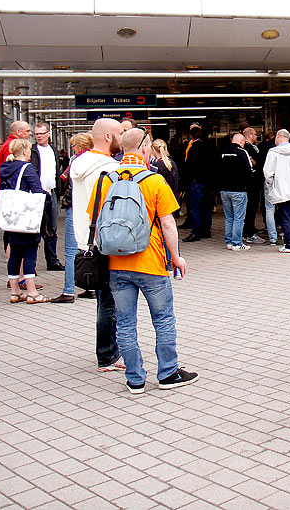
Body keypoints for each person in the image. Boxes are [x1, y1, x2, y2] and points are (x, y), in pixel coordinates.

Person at [89, 128, 196, 393]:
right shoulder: (154, 180)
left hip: (115, 264)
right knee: (163, 319)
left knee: (125, 323)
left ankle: (135, 379)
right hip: (151, 264)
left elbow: (94, 221)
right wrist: (176, 257)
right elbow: (169, 224)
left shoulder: (104, 180)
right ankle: (168, 373)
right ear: (146, 147)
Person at [71, 118, 126, 370]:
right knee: (110, 304)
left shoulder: (79, 164)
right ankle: (108, 355)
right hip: (105, 240)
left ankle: (107, 352)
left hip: (85, 240)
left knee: (104, 301)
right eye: (119, 133)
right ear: (107, 137)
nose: (122, 138)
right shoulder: (108, 168)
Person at [0, 139, 52, 304]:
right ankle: (32, 292)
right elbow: (37, 191)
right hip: (26, 218)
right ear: (24, 150)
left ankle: (15, 292)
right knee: (29, 252)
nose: (31, 151)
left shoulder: (5, 167)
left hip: (11, 218)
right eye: (29, 148)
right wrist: (48, 194)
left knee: (14, 253)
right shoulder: (27, 168)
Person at [49, 133, 94, 303]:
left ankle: (68, 290)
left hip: (75, 207)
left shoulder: (76, 161)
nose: (72, 149)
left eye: (73, 145)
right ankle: (90, 286)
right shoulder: (97, 160)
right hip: (90, 209)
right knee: (88, 247)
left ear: (79, 146)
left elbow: (69, 184)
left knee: (70, 251)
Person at [31, 122, 65, 271]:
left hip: (52, 192)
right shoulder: (32, 151)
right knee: (35, 228)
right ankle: (30, 264)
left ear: (48, 134)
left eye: (41, 133)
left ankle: (52, 260)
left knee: (52, 228)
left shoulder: (53, 151)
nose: (39, 136)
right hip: (36, 195)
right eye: (36, 134)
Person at [218, 132, 253, 251]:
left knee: (229, 217)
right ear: (242, 142)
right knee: (239, 218)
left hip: (224, 190)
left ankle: (229, 242)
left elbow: (216, 169)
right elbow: (249, 170)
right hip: (238, 189)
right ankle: (237, 243)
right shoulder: (242, 152)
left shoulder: (222, 152)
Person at [182, 123, 215, 242]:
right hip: (207, 181)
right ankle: (206, 230)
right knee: (206, 206)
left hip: (196, 181)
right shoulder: (210, 146)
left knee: (195, 207)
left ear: (191, 136)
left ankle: (196, 231)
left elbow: (188, 166)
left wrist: (185, 183)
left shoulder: (193, 148)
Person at [240, 127, 262, 243]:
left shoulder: (253, 147)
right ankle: (249, 233)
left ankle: (250, 230)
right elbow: (252, 162)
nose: (256, 136)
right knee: (251, 208)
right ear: (249, 135)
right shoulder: (246, 148)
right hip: (251, 183)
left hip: (255, 182)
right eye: (255, 134)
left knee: (252, 207)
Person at [256, 131, 279, 245]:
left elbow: (263, 166)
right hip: (281, 181)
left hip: (268, 180)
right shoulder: (280, 148)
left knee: (269, 208)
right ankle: (286, 232)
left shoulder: (262, 147)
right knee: (284, 208)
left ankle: (272, 237)